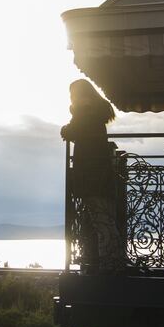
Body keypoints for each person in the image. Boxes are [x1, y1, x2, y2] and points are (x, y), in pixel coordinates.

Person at [60, 79, 125, 272]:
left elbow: (69, 132)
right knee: (104, 219)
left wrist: (73, 115)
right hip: (101, 175)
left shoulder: (85, 112)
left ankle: (111, 264)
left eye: (72, 94)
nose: (71, 98)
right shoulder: (96, 113)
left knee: (101, 221)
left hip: (90, 176)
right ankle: (113, 261)